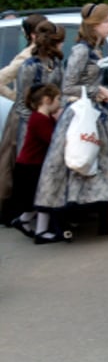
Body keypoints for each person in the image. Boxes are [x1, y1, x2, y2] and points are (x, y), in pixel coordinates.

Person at [35, 4, 108, 229]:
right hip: (84, 113)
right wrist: (97, 91)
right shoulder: (81, 50)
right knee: (89, 163)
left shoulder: (94, 48)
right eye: (106, 21)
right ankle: (102, 219)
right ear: (93, 26)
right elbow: (68, 85)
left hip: (98, 113)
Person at [0, 18, 62, 218]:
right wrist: (18, 98)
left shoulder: (54, 61)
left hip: (43, 115)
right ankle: (17, 212)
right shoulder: (27, 60)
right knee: (20, 165)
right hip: (26, 117)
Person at [9, 83, 62, 243]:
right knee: (42, 199)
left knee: (38, 199)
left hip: (31, 164)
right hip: (30, 166)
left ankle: (23, 221)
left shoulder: (42, 118)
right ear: (47, 100)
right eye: (58, 99)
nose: (60, 103)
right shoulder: (39, 120)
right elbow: (53, 140)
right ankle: (41, 232)